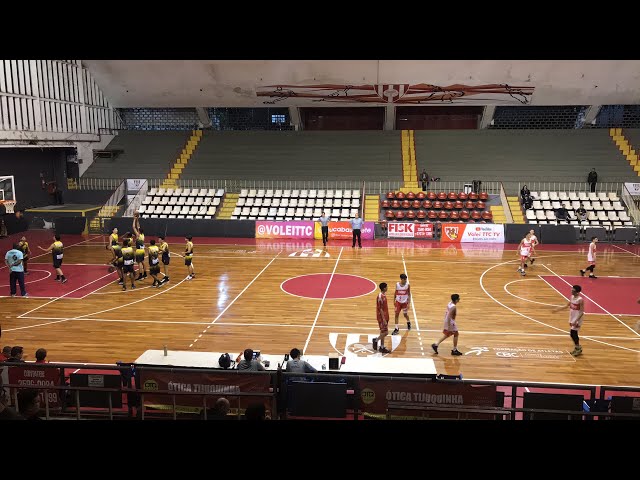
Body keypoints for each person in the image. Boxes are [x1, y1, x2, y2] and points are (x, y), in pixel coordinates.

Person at [553, 285, 585, 357]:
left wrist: (576, 321)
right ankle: (577, 347)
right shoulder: (572, 297)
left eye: (573, 290)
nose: (571, 291)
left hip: (577, 318)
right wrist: (557, 309)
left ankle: (578, 348)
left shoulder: (580, 300)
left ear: (577, 292)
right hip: (572, 317)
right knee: (573, 333)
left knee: (573, 333)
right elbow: (566, 305)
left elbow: (582, 312)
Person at [372, 282, 391, 354]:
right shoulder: (380, 297)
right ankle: (376, 340)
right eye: (386, 287)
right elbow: (380, 309)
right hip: (382, 317)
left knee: (382, 332)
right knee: (386, 332)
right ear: (384, 288)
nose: (387, 288)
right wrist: (384, 319)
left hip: (385, 315)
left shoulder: (383, 295)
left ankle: (382, 347)